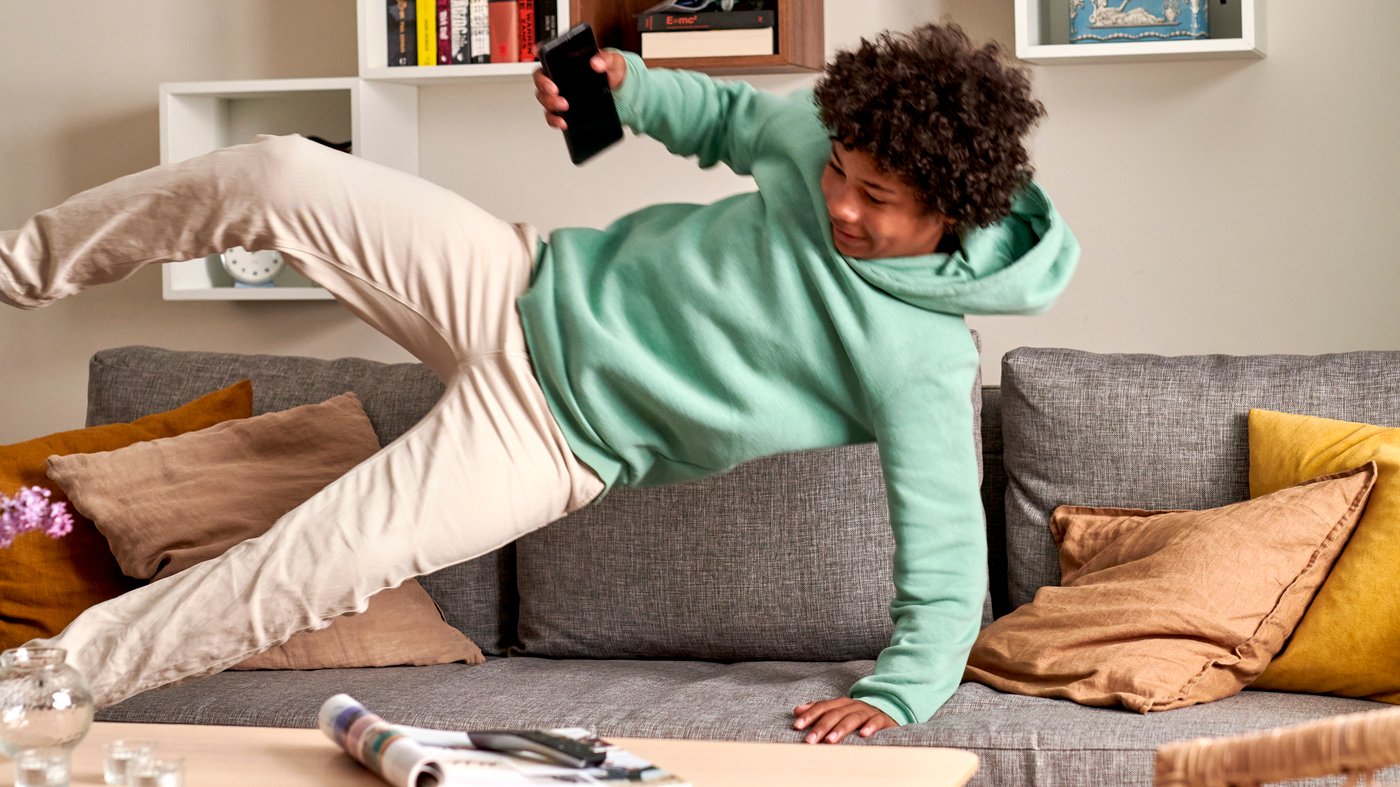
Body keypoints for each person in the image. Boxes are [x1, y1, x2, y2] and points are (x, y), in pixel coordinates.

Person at [0, 22, 1077, 744]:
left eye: (876, 198)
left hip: (552, 440)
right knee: (274, 169)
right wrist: (628, 91)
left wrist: (896, 692)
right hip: (517, 280)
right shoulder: (825, 137)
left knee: (302, 568)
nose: (840, 202)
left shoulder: (922, 358)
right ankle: (18, 269)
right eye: (837, 173)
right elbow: (732, 123)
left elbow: (942, 547)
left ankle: (28, 691)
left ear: (953, 207)